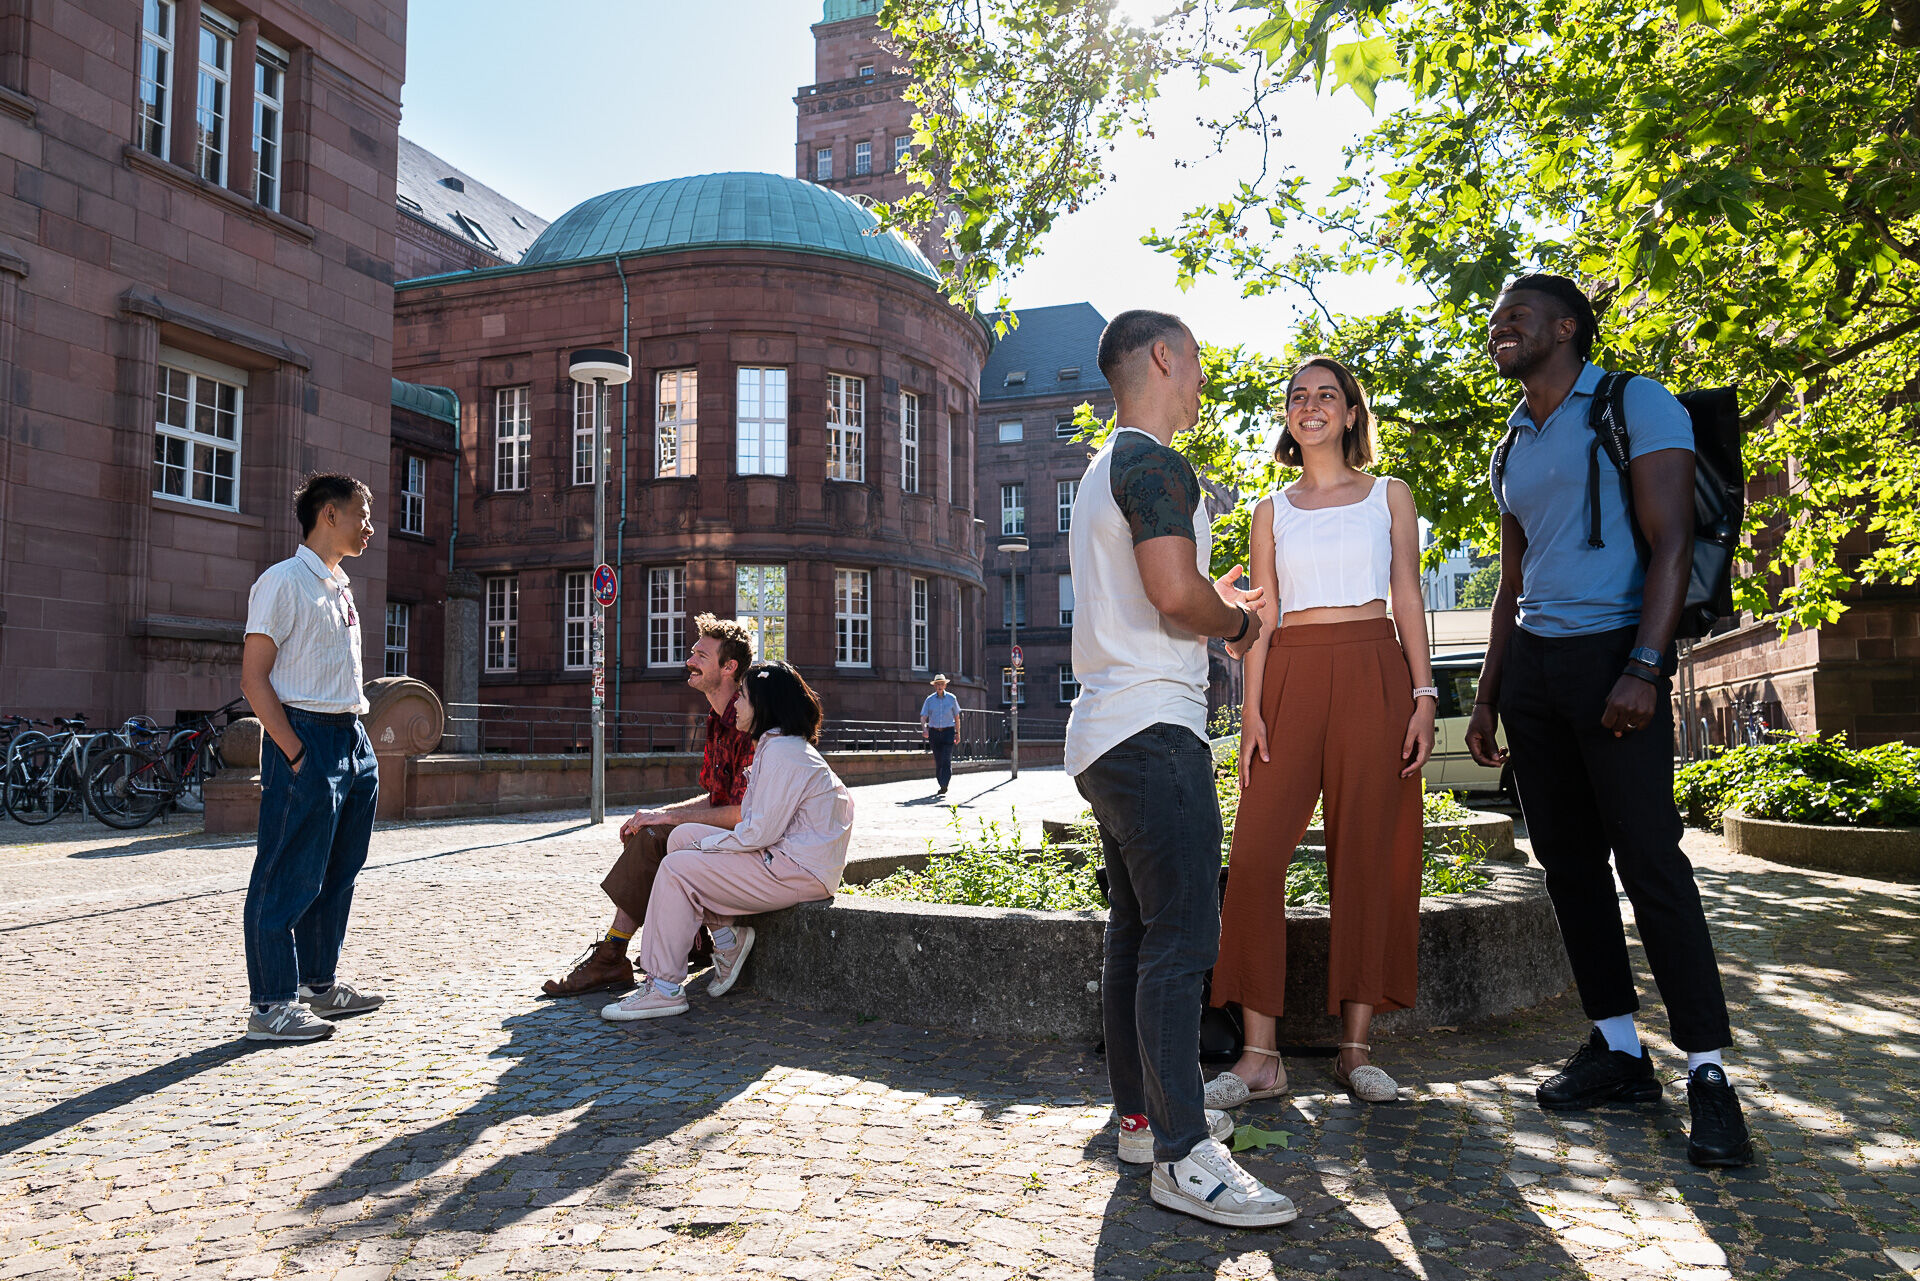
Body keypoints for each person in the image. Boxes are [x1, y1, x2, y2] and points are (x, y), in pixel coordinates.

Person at [1465, 273, 1752, 1168]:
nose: (1498, 326)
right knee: (1570, 867)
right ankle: (1620, 1049)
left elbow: (1672, 543)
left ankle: (1708, 1071)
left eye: (1515, 315)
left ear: (1567, 327)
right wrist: (1485, 693)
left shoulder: (1635, 402)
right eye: (1494, 317)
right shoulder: (1510, 441)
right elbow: (1512, 582)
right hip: (1537, 676)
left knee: (1652, 861)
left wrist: (1644, 665)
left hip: (1614, 661)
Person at [1066, 309, 1294, 1229]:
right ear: (1163, 356)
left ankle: (1138, 1120)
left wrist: (1211, 592)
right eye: (1195, 362)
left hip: (1105, 733)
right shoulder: (1156, 462)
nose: (1201, 379)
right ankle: (1181, 1154)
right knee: (1181, 941)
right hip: (1156, 729)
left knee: (1136, 937)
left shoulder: (1103, 470)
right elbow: (1170, 595)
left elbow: (1157, 589)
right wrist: (1240, 624)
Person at [1207, 357, 1435, 1110]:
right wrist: (1251, 713)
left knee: (1367, 853)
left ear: (1349, 414)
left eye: (1326, 396)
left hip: (1377, 667)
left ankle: (1355, 1047)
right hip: (1294, 673)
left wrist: (1425, 693)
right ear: (1289, 417)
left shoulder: (1391, 496)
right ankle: (1260, 1053)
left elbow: (1407, 593)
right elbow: (1262, 618)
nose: (1311, 406)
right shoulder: (1271, 508)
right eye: (1298, 396)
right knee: (1254, 854)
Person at [601, 661, 853, 1021]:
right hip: (787, 860)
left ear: (764, 704)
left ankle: (664, 987)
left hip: (799, 871)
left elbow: (757, 833)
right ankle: (727, 941)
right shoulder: (776, 745)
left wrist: (702, 851)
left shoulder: (784, 753)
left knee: (677, 868)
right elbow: (759, 828)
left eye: (745, 697)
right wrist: (698, 844)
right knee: (683, 837)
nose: (736, 704)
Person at [238, 473, 385, 1043]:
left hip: (351, 735)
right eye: (361, 515)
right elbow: (254, 679)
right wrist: (295, 752)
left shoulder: (338, 586)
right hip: (305, 736)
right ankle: (271, 1003)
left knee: (338, 870)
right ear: (328, 514)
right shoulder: (283, 582)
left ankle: (318, 986)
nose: (368, 527)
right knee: (284, 874)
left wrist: (352, 747)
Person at [540, 615, 755, 997]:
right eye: (693, 652)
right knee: (648, 830)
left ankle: (613, 955)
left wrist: (667, 817)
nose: (690, 660)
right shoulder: (714, 720)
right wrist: (658, 814)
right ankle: (649, 945)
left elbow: (742, 811)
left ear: (728, 667)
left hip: (755, 841)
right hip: (728, 828)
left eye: (701, 655)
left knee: (655, 835)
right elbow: (715, 797)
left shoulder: (746, 720)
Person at [919, 674, 960, 795]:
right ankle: (940, 781)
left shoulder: (952, 698)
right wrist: (924, 729)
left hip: (948, 731)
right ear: (935, 686)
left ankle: (944, 784)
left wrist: (957, 733)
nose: (940, 686)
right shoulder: (929, 700)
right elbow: (923, 717)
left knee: (946, 759)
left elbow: (957, 718)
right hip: (934, 733)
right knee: (939, 761)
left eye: (942, 684)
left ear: (945, 685)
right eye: (937, 684)